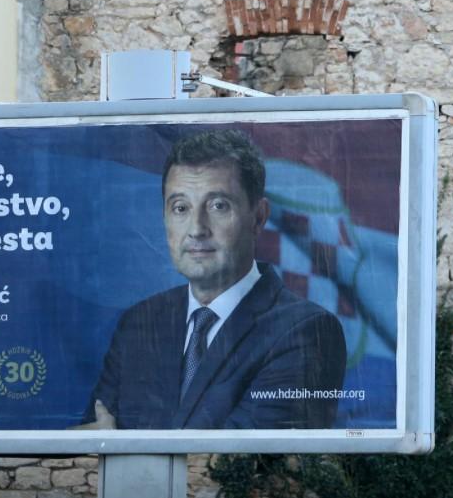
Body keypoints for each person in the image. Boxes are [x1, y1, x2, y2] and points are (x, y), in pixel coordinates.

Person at [80, 129, 346, 430]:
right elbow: (90, 447)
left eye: (218, 205)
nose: (196, 229)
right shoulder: (139, 323)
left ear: (258, 217)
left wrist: (121, 446)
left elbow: (246, 464)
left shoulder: (305, 331)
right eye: (181, 208)